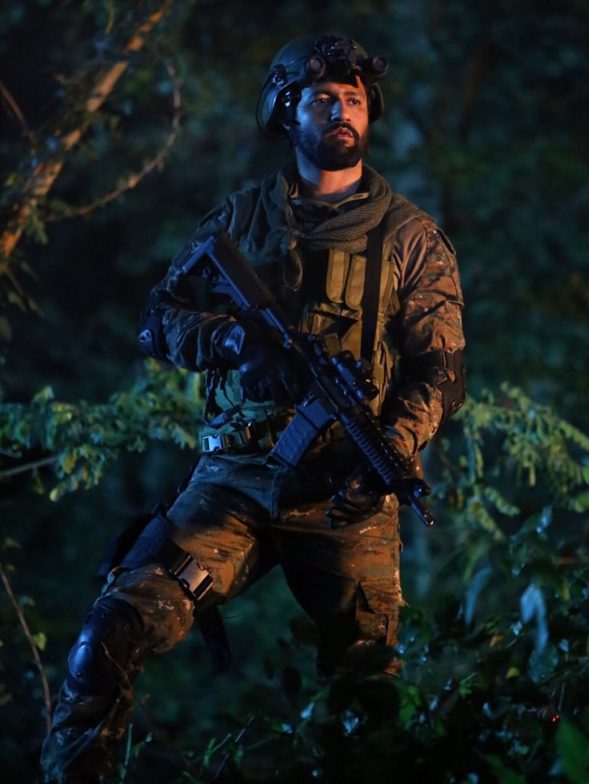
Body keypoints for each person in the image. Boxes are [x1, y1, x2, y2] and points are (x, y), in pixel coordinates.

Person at [41, 33, 465, 783]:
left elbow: (442, 368)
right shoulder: (239, 219)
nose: (340, 112)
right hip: (233, 483)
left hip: (346, 495)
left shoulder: (410, 237)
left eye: (353, 100)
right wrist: (234, 340)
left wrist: (395, 444)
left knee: (369, 707)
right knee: (107, 634)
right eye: (323, 99)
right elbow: (158, 319)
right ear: (286, 112)